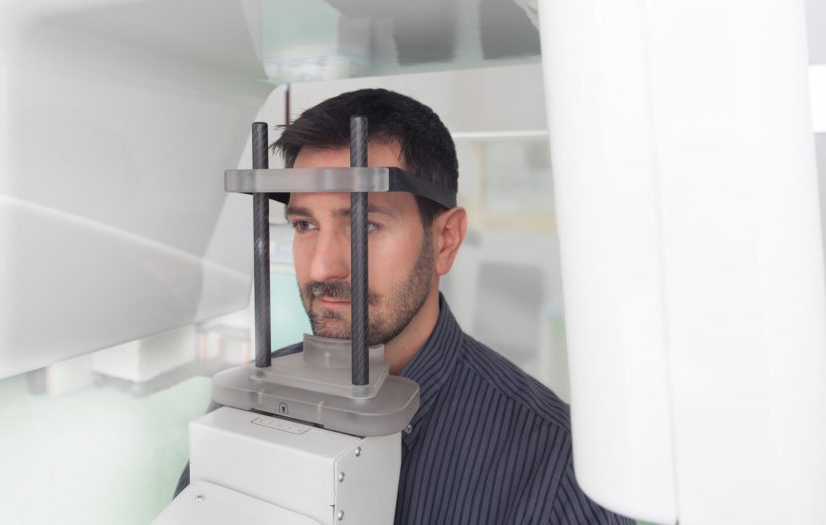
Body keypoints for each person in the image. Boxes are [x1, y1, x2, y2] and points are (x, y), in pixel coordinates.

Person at [175, 88, 634, 524]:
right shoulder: (243, 403)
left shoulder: (556, 465)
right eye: (304, 225)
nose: (321, 268)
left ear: (445, 240)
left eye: (366, 225)